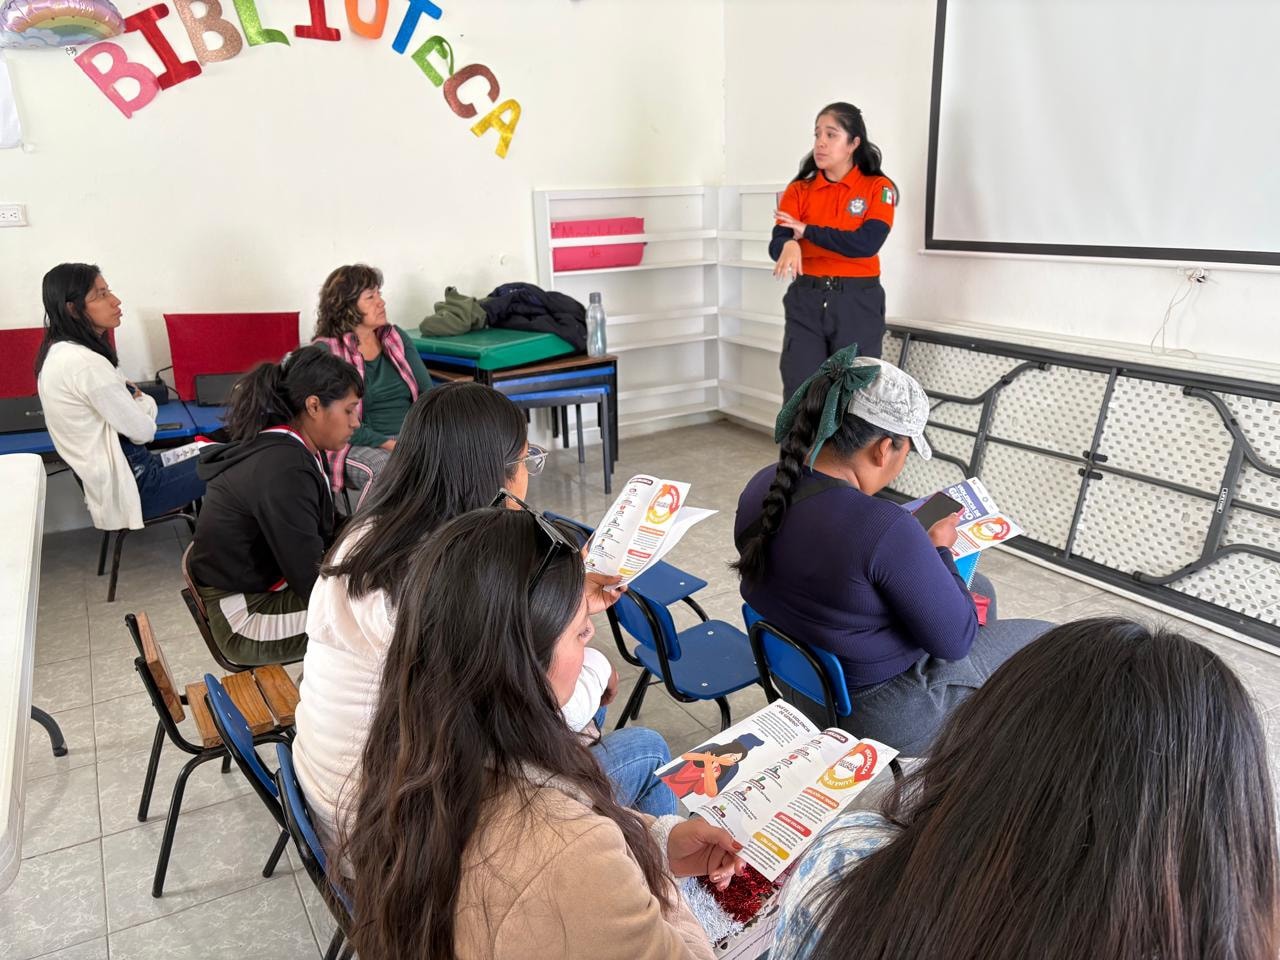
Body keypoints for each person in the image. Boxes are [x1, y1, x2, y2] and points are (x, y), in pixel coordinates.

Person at [341, 507, 745, 960]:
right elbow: (577, 869)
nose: (590, 638)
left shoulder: (419, 751)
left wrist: (660, 840)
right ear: (523, 666)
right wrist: (656, 884)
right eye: (580, 633)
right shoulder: (566, 850)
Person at [294, 381, 676, 855]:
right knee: (648, 750)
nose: (527, 477)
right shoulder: (454, 579)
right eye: (526, 461)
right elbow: (518, 722)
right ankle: (661, 889)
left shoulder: (370, 536)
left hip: (334, 800)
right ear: (496, 477)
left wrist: (566, 602)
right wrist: (596, 667)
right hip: (404, 842)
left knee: (585, 713)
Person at [771, 618, 1280, 960]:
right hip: (884, 707)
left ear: (990, 733)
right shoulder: (1233, 930)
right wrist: (940, 554)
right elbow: (953, 630)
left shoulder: (846, 860)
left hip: (813, 686)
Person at [733, 345, 1050, 756]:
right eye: (906, 451)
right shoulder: (882, 526)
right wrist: (939, 550)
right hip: (883, 713)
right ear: (883, 448)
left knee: (981, 588)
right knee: (1050, 639)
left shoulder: (766, 484)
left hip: (800, 684)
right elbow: (954, 642)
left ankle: (978, 700)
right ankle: (986, 733)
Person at [186, 346, 362, 666]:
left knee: (381, 598)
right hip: (247, 618)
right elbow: (309, 579)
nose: (356, 422)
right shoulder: (284, 466)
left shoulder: (295, 445)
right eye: (349, 410)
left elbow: (326, 527)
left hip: (263, 590)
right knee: (385, 617)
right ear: (314, 406)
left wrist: (379, 531)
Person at [35, 263, 205, 531]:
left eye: (108, 291)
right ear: (72, 309)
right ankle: (226, 549)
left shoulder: (64, 353)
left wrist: (136, 403)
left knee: (214, 451)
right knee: (235, 465)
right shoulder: (85, 364)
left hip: (132, 471)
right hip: (139, 487)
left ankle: (218, 543)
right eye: (101, 295)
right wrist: (144, 401)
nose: (115, 301)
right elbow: (143, 432)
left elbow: (132, 415)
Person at [770, 102, 898, 399]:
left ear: (853, 143)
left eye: (831, 135)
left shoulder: (878, 189)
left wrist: (807, 232)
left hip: (857, 302)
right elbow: (779, 241)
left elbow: (866, 243)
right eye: (817, 135)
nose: (820, 143)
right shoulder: (799, 190)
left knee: (855, 397)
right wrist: (789, 243)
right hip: (807, 299)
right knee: (801, 393)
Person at [312, 263, 432, 500]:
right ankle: (370, 527)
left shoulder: (395, 337)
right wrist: (390, 444)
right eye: (370, 297)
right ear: (347, 306)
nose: (381, 302)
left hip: (410, 438)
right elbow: (336, 421)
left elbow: (427, 393)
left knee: (470, 457)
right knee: (386, 471)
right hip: (356, 443)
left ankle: (480, 521)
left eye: (379, 294)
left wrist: (425, 439)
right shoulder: (327, 351)